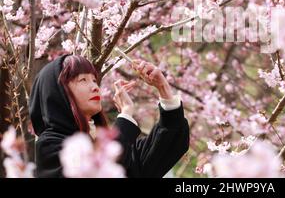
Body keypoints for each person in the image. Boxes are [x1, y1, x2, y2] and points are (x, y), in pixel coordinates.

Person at [29, 54, 190, 178]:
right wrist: (125, 115)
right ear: (57, 94)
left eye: (94, 79)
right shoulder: (49, 145)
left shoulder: (100, 140)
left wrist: (162, 87)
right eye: (82, 80)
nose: (94, 87)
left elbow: (162, 150)